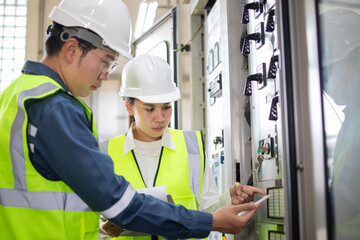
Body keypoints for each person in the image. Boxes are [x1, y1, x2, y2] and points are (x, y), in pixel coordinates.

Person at [0, 0, 261, 239]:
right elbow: (118, 203)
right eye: (105, 62)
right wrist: (209, 222)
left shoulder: (17, 95)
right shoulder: (54, 107)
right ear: (71, 49)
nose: (105, 75)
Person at [99, 54, 267, 239]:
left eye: (166, 107)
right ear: (129, 107)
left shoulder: (190, 146)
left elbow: (207, 209)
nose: (160, 117)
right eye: (150, 109)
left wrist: (229, 199)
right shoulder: (104, 153)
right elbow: (94, 222)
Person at [320, 8, 360, 240]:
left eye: (329, 71)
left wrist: (291, 204)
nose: (325, 85)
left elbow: (347, 200)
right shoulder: (351, 118)